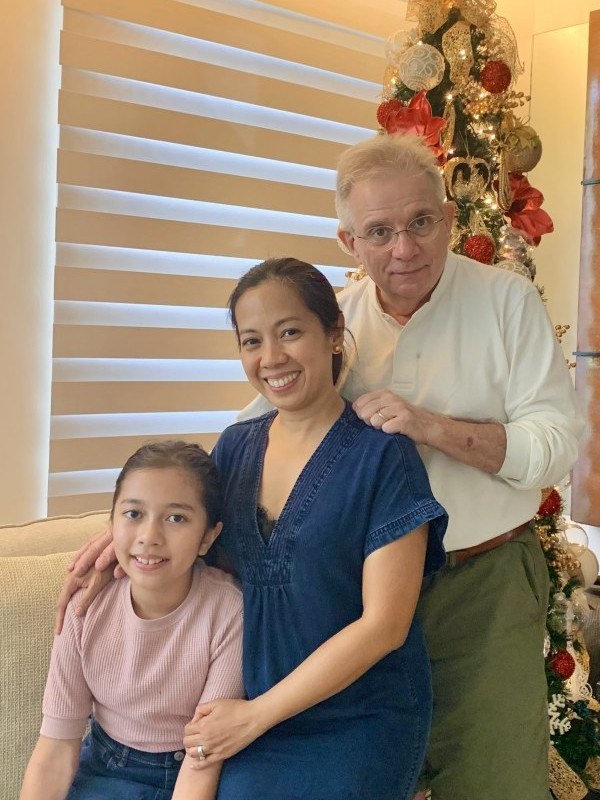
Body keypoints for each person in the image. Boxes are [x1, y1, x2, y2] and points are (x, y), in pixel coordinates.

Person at [60, 258, 448, 800]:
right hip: (243, 710)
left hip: (354, 718)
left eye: (290, 332)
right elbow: (185, 524)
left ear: (334, 334)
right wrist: (114, 546)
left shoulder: (384, 458)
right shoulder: (236, 446)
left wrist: (254, 717)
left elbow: (385, 625)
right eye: (251, 341)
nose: (271, 358)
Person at [331, 133, 583, 800]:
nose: (404, 248)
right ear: (348, 243)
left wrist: (431, 427)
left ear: (447, 218)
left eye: (420, 222)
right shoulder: (331, 323)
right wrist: (144, 517)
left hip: (488, 583)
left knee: (495, 781)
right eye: (379, 231)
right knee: (373, 777)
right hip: (361, 594)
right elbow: (262, 429)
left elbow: (556, 444)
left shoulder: (508, 302)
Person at [21, 441, 244, 800]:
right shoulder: (85, 607)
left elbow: (203, 758)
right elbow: (56, 748)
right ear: (110, 522)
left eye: (176, 518)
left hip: (190, 770)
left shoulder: (230, 612)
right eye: (133, 514)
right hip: (106, 766)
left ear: (208, 537)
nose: (149, 537)